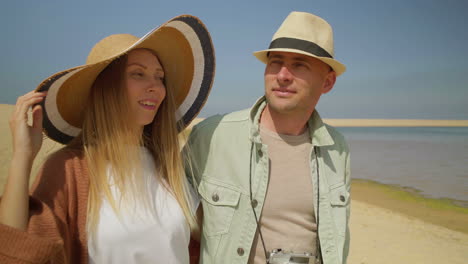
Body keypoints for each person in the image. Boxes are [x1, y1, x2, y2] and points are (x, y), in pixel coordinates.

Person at [0, 14, 215, 264]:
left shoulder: (168, 167)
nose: (155, 87)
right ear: (106, 87)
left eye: (160, 77)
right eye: (138, 74)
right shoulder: (69, 169)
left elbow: (213, 240)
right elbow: (16, 248)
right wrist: (22, 158)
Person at [185, 11, 350, 264]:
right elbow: (177, 232)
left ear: (327, 82)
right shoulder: (212, 135)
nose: (282, 75)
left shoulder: (337, 149)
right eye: (275, 62)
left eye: (299, 65)